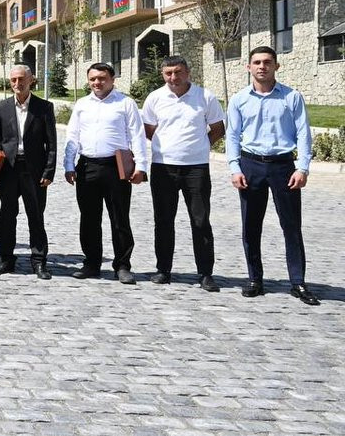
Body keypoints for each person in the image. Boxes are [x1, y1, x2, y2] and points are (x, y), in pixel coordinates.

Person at [225, 46, 318, 305]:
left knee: (291, 226)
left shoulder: (292, 97)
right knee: (250, 226)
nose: (262, 67)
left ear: (277, 66)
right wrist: (234, 168)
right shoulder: (239, 99)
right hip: (250, 165)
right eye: (256, 62)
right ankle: (255, 279)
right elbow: (232, 135)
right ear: (248, 67)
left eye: (267, 62)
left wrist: (302, 167)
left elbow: (303, 133)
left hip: (283, 167)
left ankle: (298, 282)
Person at [141, 55, 225, 292]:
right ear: (162, 75)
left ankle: (206, 273)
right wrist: (167, 146)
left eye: (178, 72)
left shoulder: (204, 96)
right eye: (168, 73)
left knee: (200, 220)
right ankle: (163, 270)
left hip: (196, 168)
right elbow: (148, 129)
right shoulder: (155, 98)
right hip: (163, 167)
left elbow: (218, 128)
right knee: (163, 220)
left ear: (188, 72)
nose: (173, 77)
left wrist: (200, 146)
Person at [63, 62, 147, 284]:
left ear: (112, 79)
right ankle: (91, 263)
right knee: (89, 218)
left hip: (115, 167)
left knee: (119, 218)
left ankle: (122, 265)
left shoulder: (125, 103)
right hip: (87, 166)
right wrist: (69, 165)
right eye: (93, 79)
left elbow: (137, 135)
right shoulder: (82, 104)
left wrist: (141, 166)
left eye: (102, 78)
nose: (97, 82)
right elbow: (72, 135)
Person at [0, 65, 56, 279]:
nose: (18, 83)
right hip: (8, 169)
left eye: (22, 79)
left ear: (31, 80)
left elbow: (51, 143)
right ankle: (6, 259)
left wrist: (49, 171)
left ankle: (39, 261)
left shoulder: (44, 107)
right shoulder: (1, 108)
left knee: (36, 215)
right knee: (7, 214)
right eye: (14, 80)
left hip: (34, 169)